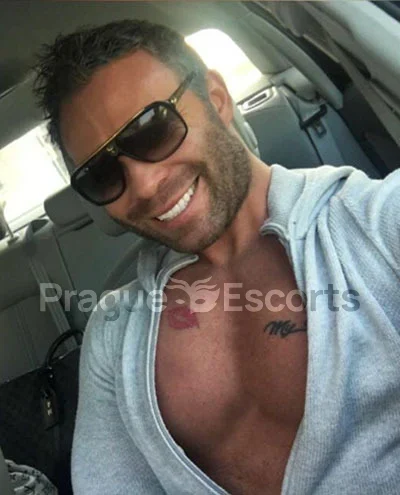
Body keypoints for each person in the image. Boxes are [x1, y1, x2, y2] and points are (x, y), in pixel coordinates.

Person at [33, 19, 400, 495]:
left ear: (217, 99)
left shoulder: (377, 222)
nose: (144, 186)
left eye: (151, 130)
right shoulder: (114, 332)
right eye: (102, 174)